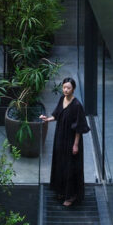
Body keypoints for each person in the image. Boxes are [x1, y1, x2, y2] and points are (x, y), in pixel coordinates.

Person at [40, 77, 90, 207]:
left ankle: (71, 195)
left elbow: (79, 127)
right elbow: (57, 115)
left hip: (71, 139)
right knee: (60, 163)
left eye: (68, 88)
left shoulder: (77, 105)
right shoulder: (62, 99)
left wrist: (75, 145)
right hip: (60, 137)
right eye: (64, 87)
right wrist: (47, 119)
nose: (66, 90)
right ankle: (61, 191)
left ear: (73, 89)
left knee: (70, 167)